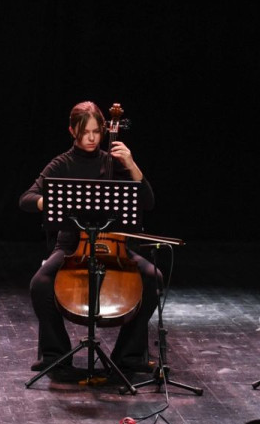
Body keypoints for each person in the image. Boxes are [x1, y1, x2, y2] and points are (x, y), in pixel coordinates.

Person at [19, 101, 162, 381]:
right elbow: (26, 198)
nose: (93, 138)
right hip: (73, 245)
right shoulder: (62, 163)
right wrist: (46, 201)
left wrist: (132, 165)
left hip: (115, 244)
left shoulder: (115, 162)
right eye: (86, 132)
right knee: (40, 284)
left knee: (152, 277)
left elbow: (148, 201)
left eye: (97, 131)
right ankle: (55, 354)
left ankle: (128, 356)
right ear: (72, 130)